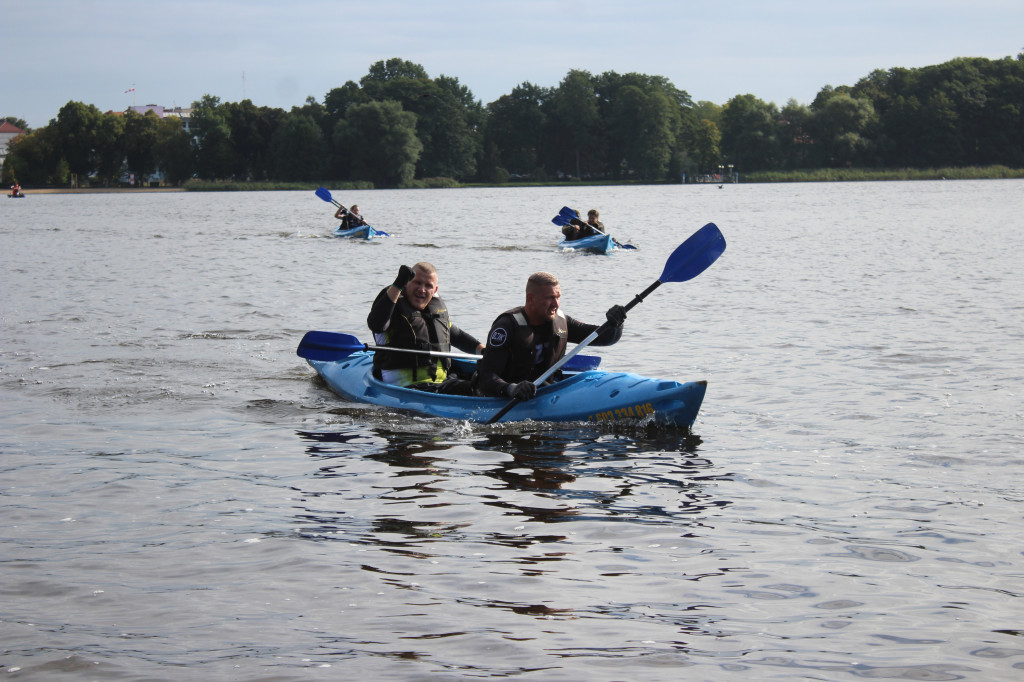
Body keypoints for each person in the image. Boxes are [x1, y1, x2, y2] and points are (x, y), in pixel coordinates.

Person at [475, 271, 626, 400]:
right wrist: (512, 389)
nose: (556, 303)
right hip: (509, 396)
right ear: (530, 299)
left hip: (546, 392)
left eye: (558, 297)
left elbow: (605, 338)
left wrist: (616, 323)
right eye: (549, 298)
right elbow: (487, 378)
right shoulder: (506, 327)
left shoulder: (561, 321)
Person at [367, 262, 484, 394]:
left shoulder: (434, 309)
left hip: (442, 383)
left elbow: (457, 336)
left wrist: (485, 351)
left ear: (435, 290)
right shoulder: (392, 305)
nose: (422, 290)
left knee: (486, 378)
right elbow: (377, 324)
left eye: (428, 286)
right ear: (406, 284)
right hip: (409, 387)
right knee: (479, 388)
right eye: (417, 282)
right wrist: (397, 284)